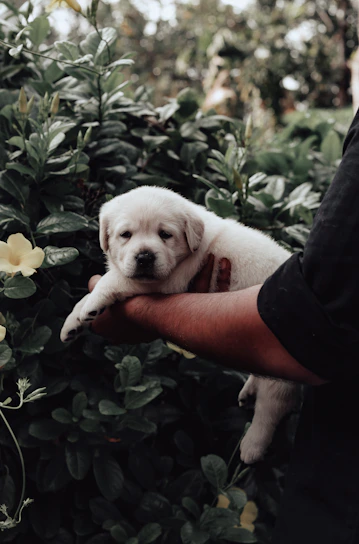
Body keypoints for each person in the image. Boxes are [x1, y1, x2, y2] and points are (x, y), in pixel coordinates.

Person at [88, 109, 359, 543]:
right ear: (107, 236)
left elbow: (306, 325)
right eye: (123, 237)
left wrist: (134, 310)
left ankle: (267, 414)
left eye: (164, 235)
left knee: (276, 389)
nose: (144, 248)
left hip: (342, 491)